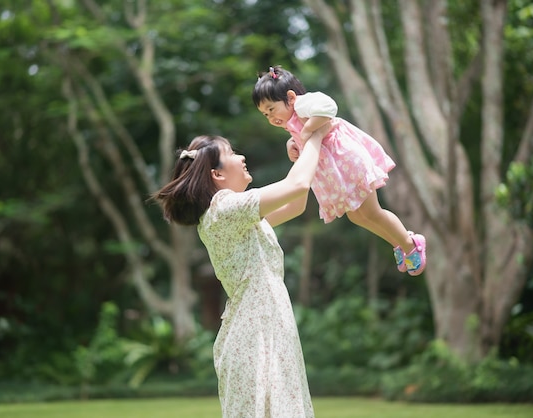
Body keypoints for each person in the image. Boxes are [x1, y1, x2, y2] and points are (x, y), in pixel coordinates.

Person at [152, 126, 330, 417]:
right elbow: (296, 186)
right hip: (254, 334)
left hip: (265, 324)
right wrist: (316, 134)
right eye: (232, 153)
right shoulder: (223, 208)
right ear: (217, 174)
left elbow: (296, 203)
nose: (242, 157)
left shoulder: (236, 216)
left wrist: (303, 150)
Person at [252, 65, 427, 276]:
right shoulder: (292, 120)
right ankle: (399, 242)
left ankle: (411, 244)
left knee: (371, 211)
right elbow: (302, 134)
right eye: (264, 115)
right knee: (358, 216)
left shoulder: (303, 104)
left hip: (348, 161)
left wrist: (307, 130)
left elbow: (328, 106)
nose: (270, 118)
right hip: (338, 171)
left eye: (271, 109)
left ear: (290, 97)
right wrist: (293, 142)